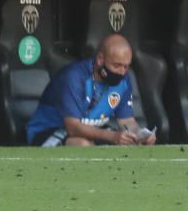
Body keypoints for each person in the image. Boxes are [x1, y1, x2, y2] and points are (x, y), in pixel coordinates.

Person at [27, 34, 158, 147]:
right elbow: (73, 127)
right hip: (48, 130)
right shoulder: (74, 76)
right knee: (83, 145)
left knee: (125, 145)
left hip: (92, 131)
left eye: (126, 66)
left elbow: (127, 121)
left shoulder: (123, 79)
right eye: (117, 65)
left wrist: (140, 135)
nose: (121, 72)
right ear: (100, 59)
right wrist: (112, 136)